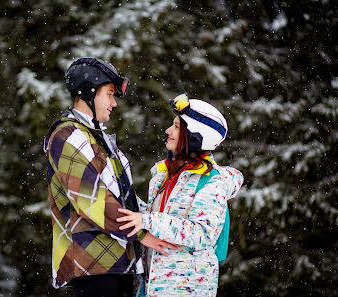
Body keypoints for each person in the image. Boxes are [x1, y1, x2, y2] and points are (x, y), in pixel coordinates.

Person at [43, 58, 176, 297]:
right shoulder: (68, 136)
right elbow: (93, 200)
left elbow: (124, 198)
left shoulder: (94, 137)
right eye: (109, 94)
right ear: (88, 93)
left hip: (119, 262)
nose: (114, 103)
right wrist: (143, 233)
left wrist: (157, 221)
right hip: (92, 264)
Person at [117, 93, 243, 296]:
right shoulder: (163, 176)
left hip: (187, 288)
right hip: (153, 284)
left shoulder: (211, 181)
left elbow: (202, 234)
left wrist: (148, 220)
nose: (168, 131)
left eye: (176, 127)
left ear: (195, 135)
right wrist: (118, 195)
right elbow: (153, 218)